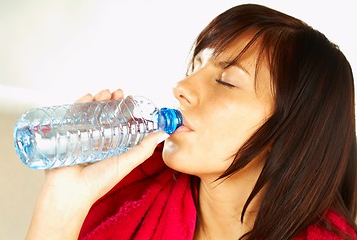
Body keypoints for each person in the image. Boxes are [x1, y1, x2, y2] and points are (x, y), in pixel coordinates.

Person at [25, 3, 357, 240]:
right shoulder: (132, 199)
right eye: (194, 67)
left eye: (226, 79)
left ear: (292, 129)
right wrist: (63, 201)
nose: (181, 88)